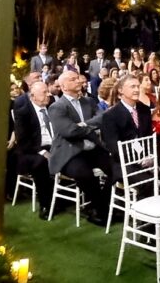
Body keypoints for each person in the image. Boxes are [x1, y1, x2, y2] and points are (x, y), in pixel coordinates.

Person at [46, 70, 111, 225]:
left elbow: (103, 117)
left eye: (78, 78)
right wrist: (89, 127)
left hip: (92, 148)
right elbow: (69, 131)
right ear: (63, 86)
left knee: (115, 167)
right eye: (73, 79)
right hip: (70, 152)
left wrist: (83, 124)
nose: (79, 81)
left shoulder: (88, 101)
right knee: (85, 174)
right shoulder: (57, 107)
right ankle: (100, 210)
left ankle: (102, 204)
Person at [11, 81, 62, 218]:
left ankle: (62, 197)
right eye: (44, 93)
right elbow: (23, 140)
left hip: (55, 145)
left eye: (48, 91)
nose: (48, 94)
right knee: (41, 163)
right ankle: (45, 204)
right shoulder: (23, 112)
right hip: (32, 150)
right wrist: (42, 152)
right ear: (33, 96)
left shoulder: (53, 107)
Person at [100, 75, 153, 179]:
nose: (137, 90)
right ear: (121, 90)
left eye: (138, 86)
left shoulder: (145, 110)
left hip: (147, 159)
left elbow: (149, 136)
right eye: (132, 87)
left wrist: (150, 156)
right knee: (148, 181)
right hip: (123, 162)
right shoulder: (110, 115)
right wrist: (137, 159)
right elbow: (113, 146)